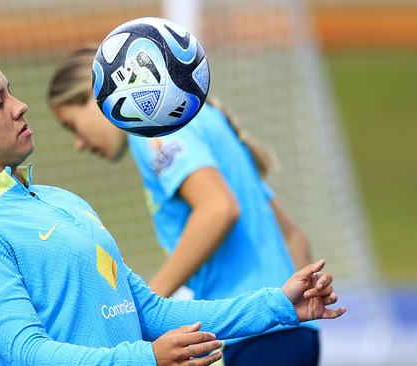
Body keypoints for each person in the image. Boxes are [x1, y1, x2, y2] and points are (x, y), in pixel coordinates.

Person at [0, 52, 345, 366]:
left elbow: (149, 312)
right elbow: (26, 351)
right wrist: (147, 357)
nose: (20, 107)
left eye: (11, 92)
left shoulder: (64, 201)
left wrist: (279, 305)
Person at [48, 46, 323, 365]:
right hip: (293, 333)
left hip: (251, 333)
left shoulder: (152, 129)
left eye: (72, 125)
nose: (78, 144)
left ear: (96, 96)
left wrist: (144, 307)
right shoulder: (202, 118)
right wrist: (297, 325)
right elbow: (294, 238)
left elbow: (218, 209)